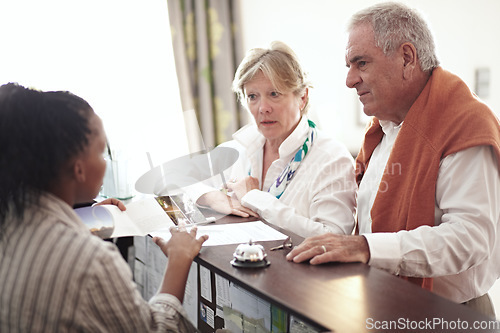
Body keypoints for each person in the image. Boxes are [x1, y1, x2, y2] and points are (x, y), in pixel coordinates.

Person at [286, 2, 500, 318]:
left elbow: (470, 239)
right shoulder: (384, 130)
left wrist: (366, 248)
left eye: (361, 63)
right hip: (387, 302)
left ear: (407, 58)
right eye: (349, 65)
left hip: (451, 314)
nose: (349, 80)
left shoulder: (463, 123)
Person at [0, 83, 208, 332]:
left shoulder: (9, 218)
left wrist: (84, 218)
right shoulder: (92, 262)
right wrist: (179, 258)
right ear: (78, 168)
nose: (105, 163)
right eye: (101, 152)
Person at [193, 41, 357, 238]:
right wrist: (210, 198)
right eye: (252, 96)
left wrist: (255, 198)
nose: (263, 108)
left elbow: (333, 237)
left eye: (274, 94)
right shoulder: (237, 149)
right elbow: (175, 184)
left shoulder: (332, 158)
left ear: (302, 97)